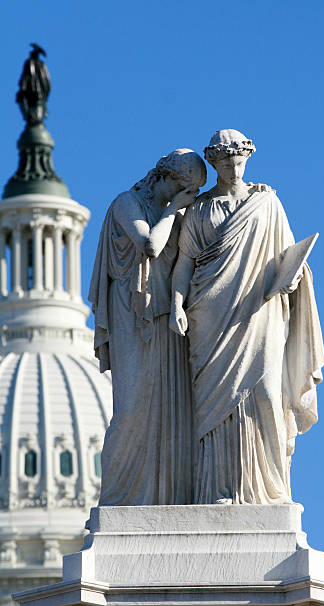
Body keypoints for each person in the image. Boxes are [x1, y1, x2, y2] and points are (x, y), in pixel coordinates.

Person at [170, 130, 324, 504]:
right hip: (209, 316)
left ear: (248, 160)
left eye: (239, 162)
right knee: (214, 409)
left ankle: (269, 490)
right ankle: (218, 490)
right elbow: (185, 263)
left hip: (260, 312)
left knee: (267, 394)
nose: (234, 169)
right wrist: (176, 303)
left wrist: (294, 279)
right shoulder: (199, 210)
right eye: (226, 163)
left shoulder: (268, 203)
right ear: (214, 164)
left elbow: (291, 256)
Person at [89, 149, 206, 505]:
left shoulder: (179, 212)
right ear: (165, 178)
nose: (190, 199)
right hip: (131, 312)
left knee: (171, 408)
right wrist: (173, 210)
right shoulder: (127, 203)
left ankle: (166, 496)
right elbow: (150, 246)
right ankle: (120, 496)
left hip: (165, 317)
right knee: (133, 406)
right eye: (186, 189)